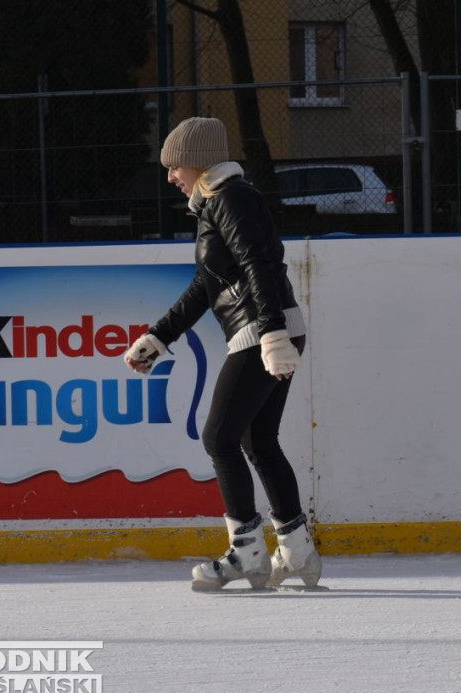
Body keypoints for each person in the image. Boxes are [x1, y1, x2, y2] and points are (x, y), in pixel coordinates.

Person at [123, 117, 321, 592]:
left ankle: (248, 554)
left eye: (175, 166)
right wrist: (159, 337)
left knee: (219, 437)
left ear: (199, 162)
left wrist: (271, 333)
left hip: (262, 331)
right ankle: (296, 552)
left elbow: (260, 264)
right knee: (258, 441)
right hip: (270, 329)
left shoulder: (231, 198)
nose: (171, 176)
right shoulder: (216, 204)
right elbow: (205, 287)